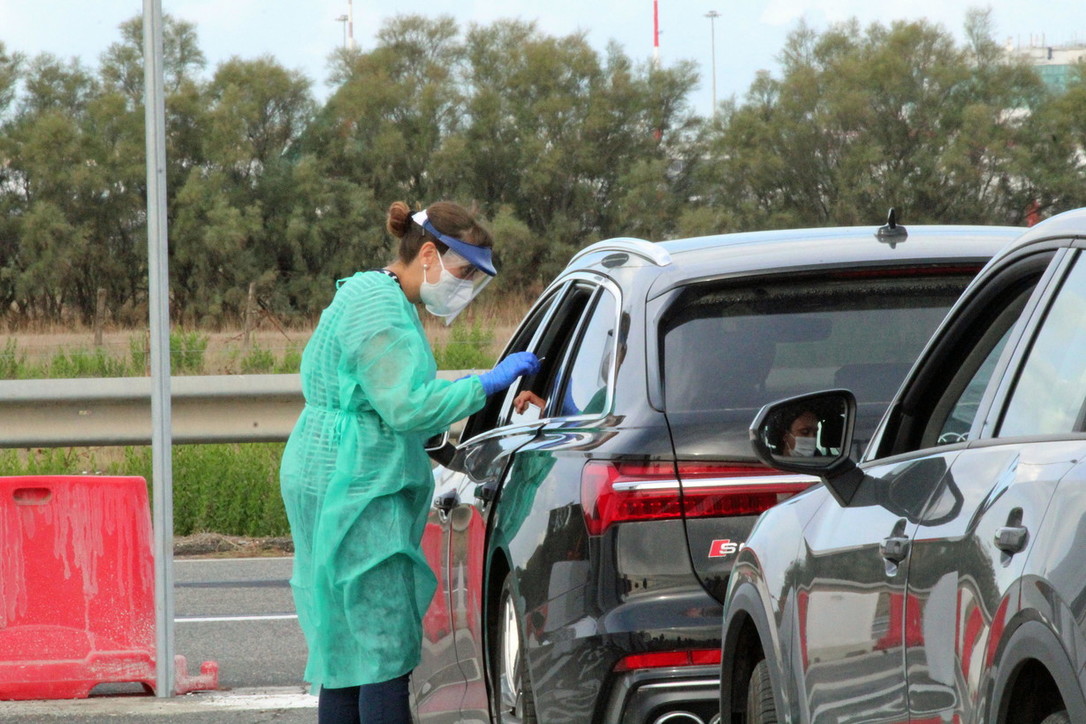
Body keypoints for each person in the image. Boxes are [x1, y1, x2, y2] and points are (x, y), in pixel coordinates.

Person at [279, 200, 540, 724]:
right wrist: (487, 382)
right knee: (382, 646)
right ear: (428, 254)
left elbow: (395, 404)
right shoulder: (380, 310)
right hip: (354, 484)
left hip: (341, 472)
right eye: (464, 272)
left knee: (349, 648)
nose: (464, 288)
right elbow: (408, 407)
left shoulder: (375, 294)